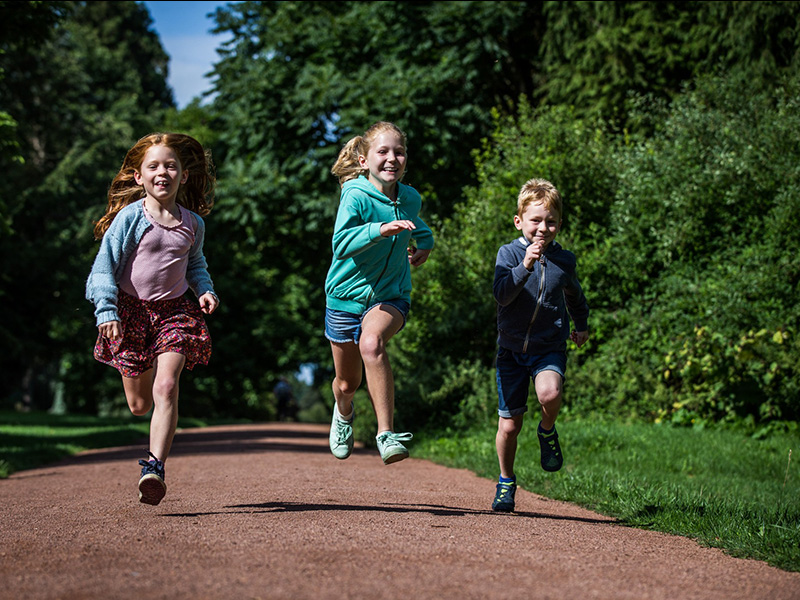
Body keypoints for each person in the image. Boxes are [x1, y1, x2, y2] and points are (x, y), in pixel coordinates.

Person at [85, 132, 219, 506]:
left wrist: (204, 289)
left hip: (174, 312)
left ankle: (154, 467)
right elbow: (102, 269)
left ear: (183, 175)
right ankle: (150, 442)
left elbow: (195, 264)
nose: (163, 172)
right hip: (129, 313)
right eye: (154, 167)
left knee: (167, 386)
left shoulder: (193, 224)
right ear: (139, 176)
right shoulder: (130, 218)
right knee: (140, 405)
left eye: (171, 166)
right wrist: (107, 310)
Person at [324, 121, 434, 465]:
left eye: (399, 152)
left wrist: (425, 243)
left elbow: (417, 224)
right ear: (364, 160)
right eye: (383, 151)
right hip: (345, 297)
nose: (391, 158)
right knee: (347, 384)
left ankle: (386, 434)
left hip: (391, 294)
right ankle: (344, 411)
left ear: (406, 159)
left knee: (372, 344)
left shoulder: (410, 197)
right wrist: (380, 229)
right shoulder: (355, 195)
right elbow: (341, 243)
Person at [491, 178, 589, 512]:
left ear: (559, 224)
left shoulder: (564, 260)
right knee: (509, 426)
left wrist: (581, 325)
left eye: (551, 221)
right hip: (511, 351)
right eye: (535, 220)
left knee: (550, 394)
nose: (543, 228)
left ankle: (547, 430)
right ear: (519, 221)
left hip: (549, 346)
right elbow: (502, 295)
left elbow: (575, 296)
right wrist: (525, 266)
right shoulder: (509, 254)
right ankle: (506, 481)